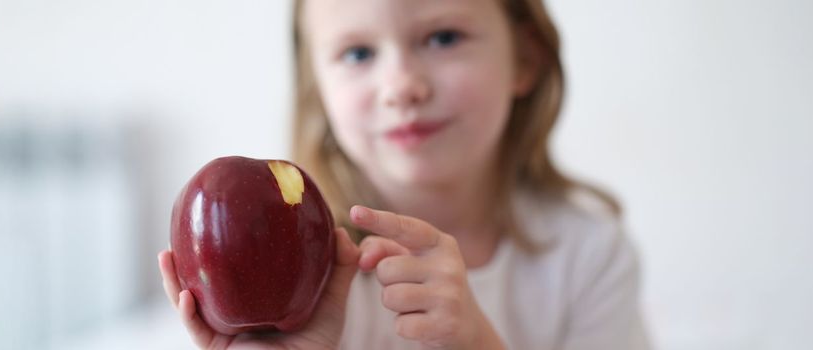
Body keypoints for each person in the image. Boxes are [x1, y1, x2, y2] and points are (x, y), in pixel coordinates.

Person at [158, 0, 650, 348]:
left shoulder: (589, 255)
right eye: (358, 53)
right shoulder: (298, 275)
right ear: (318, 87)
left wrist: (477, 343)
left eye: (443, 37)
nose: (401, 86)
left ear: (524, 57)